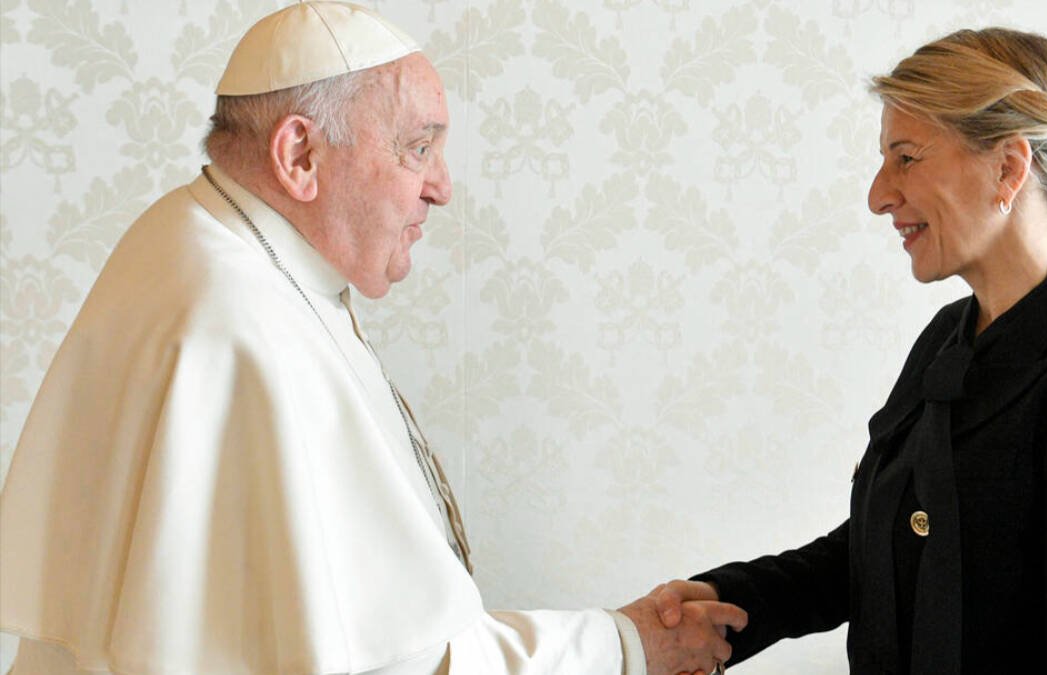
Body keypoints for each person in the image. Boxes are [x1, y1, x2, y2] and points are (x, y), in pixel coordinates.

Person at [0, 3, 745, 674]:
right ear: (299, 157)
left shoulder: (194, 239)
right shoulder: (240, 326)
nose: (442, 186)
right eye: (418, 148)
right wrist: (625, 645)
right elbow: (404, 661)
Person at [647, 27, 1047, 674]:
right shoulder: (948, 339)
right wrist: (727, 601)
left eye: (906, 157)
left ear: (1009, 168)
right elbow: (882, 552)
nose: (879, 195)